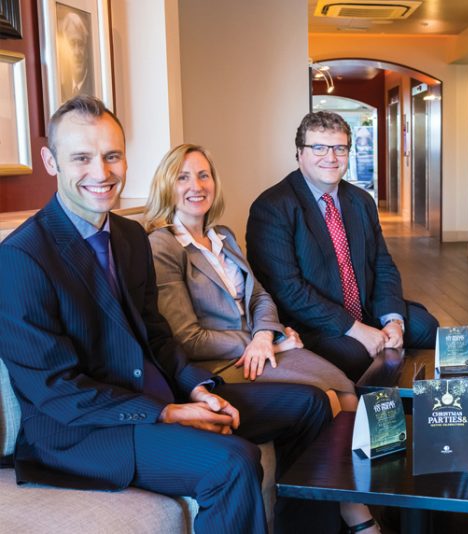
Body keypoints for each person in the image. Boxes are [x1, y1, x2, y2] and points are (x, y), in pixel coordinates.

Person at [0, 96, 338, 534]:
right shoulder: (21, 257)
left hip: (159, 398)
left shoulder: (128, 236)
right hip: (82, 432)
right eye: (81, 158)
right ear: (51, 161)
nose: (101, 172)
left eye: (112, 156)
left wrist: (196, 388)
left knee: (310, 405)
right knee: (232, 463)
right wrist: (166, 413)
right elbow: (54, 390)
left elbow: (157, 336)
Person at [144, 143, 378, 533]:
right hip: (220, 362)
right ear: (167, 185)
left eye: (203, 175)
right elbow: (187, 338)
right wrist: (258, 342)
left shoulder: (222, 235)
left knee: (348, 391)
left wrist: (265, 333)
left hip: (260, 349)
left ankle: (350, 505)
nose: (196, 186)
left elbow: (260, 296)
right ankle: (357, 517)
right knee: (330, 400)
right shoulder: (162, 246)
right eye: (183, 177)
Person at [247, 111, 439, 381]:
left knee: (426, 327)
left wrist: (392, 320)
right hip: (313, 323)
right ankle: (377, 406)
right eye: (319, 148)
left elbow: (382, 265)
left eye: (340, 148)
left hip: (366, 308)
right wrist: (354, 329)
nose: (331, 157)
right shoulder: (272, 207)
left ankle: (410, 401)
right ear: (299, 153)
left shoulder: (361, 200)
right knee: (356, 354)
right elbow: (288, 290)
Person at [57, 10, 94, 99]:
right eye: (72, 44)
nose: (77, 52)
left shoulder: (93, 85)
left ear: (86, 51)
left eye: (80, 44)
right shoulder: (61, 88)